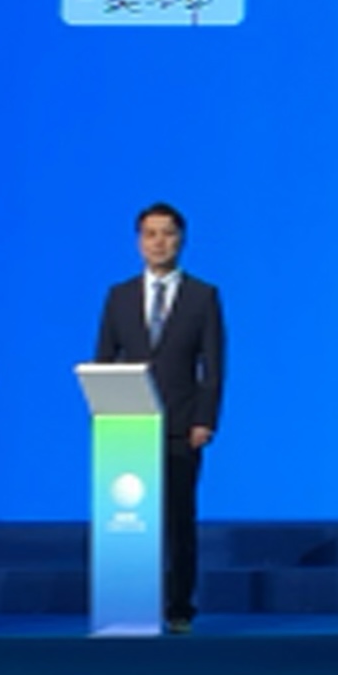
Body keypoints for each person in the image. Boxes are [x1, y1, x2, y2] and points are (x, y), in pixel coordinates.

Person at [93, 200, 227, 633]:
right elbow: (104, 360)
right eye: (150, 234)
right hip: (129, 427)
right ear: (139, 242)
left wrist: (205, 420)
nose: (159, 242)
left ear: (181, 240)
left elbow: (213, 367)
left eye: (167, 233)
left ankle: (179, 607)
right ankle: (129, 601)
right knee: (128, 518)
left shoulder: (203, 295)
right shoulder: (119, 296)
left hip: (181, 426)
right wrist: (105, 415)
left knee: (177, 521)